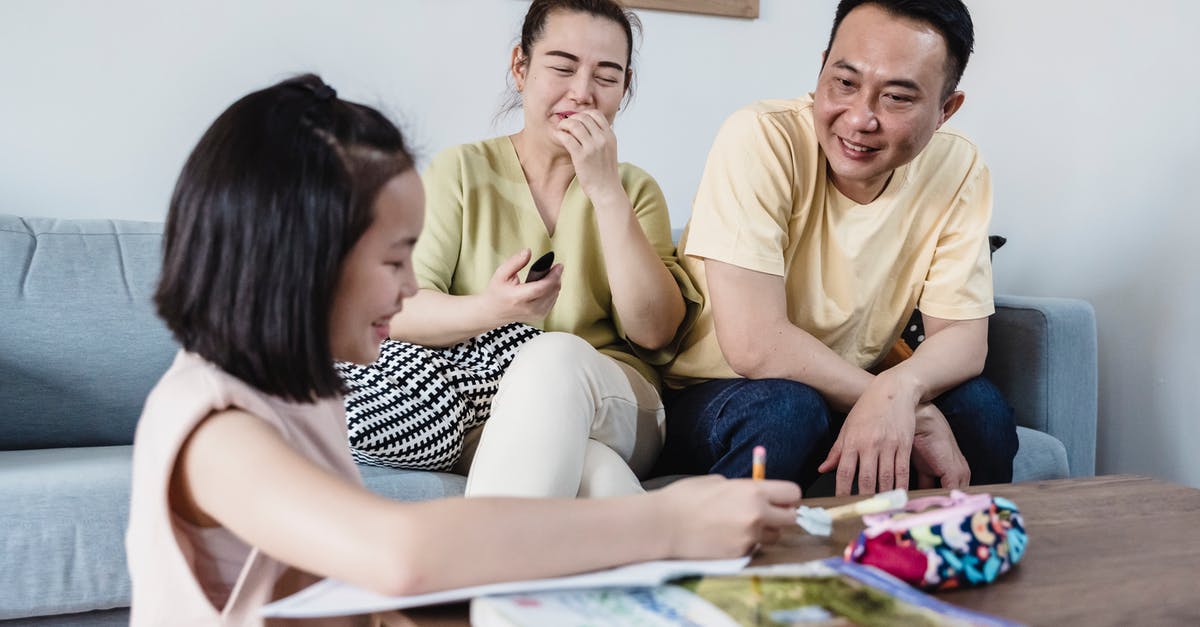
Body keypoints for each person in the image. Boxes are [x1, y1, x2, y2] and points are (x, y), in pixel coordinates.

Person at [124, 74, 800, 625]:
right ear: (302, 258)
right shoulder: (214, 429)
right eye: (395, 261)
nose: (414, 286)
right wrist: (669, 520)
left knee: (595, 476)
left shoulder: (302, 391)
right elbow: (400, 553)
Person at [657, 0, 1019, 496]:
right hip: (717, 394)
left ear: (945, 111)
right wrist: (885, 399)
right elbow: (754, 344)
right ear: (822, 66)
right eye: (844, 83)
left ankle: (959, 558)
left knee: (982, 411)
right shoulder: (762, 138)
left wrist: (899, 389)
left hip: (850, 387)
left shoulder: (958, 167)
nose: (860, 118)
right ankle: (725, 568)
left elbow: (962, 337)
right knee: (787, 410)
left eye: (896, 98)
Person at [387, 0, 698, 498]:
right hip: (490, 407)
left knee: (551, 356)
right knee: (594, 474)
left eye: (607, 76)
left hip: (619, 402)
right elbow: (400, 309)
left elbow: (654, 331)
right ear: (520, 67)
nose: (582, 93)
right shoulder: (461, 172)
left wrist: (605, 191)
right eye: (562, 67)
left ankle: (486, 565)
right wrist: (491, 309)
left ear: (625, 87)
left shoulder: (634, 189)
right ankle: (655, 550)